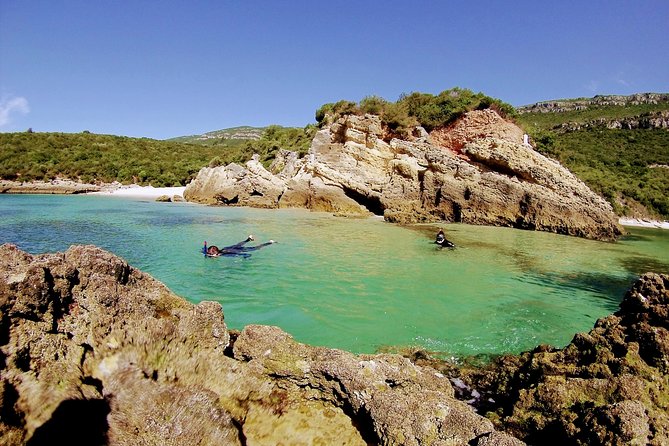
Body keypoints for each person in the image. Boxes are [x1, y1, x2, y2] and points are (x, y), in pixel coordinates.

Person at [203, 235, 275, 257]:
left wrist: (246, 256)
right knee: (238, 244)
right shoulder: (209, 253)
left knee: (256, 248)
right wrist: (205, 245)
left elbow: (235, 254)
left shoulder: (223, 254)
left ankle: (270, 243)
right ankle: (249, 239)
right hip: (228, 248)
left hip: (236, 251)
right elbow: (205, 251)